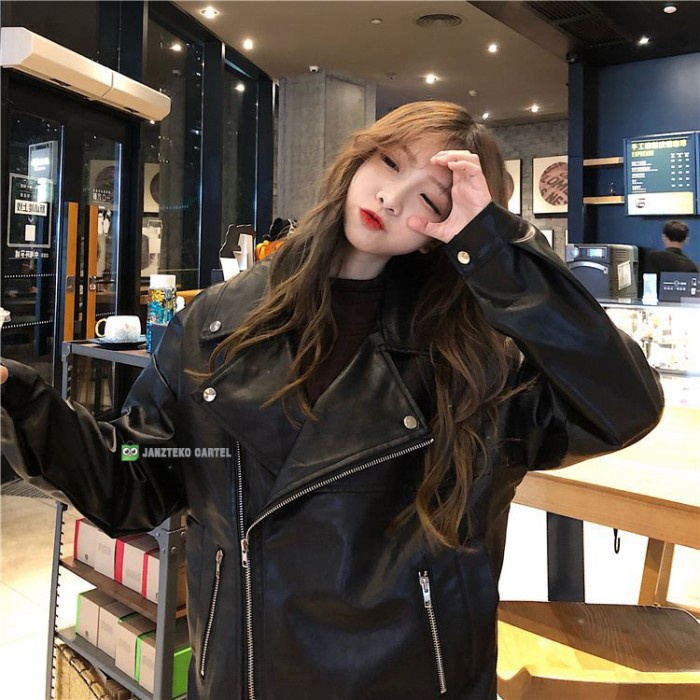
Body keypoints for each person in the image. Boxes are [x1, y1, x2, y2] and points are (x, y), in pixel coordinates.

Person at [0, 101, 663, 699]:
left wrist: (494, 251)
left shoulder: (473, 357)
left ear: (450, 226)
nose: (392, 196)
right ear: (357, 161)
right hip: (245, 667)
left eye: (429, 197)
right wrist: (23, 400)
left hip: (416, 672)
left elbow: (624, 406)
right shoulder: (218, 321)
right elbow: (136, 479)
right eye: (389, 162)